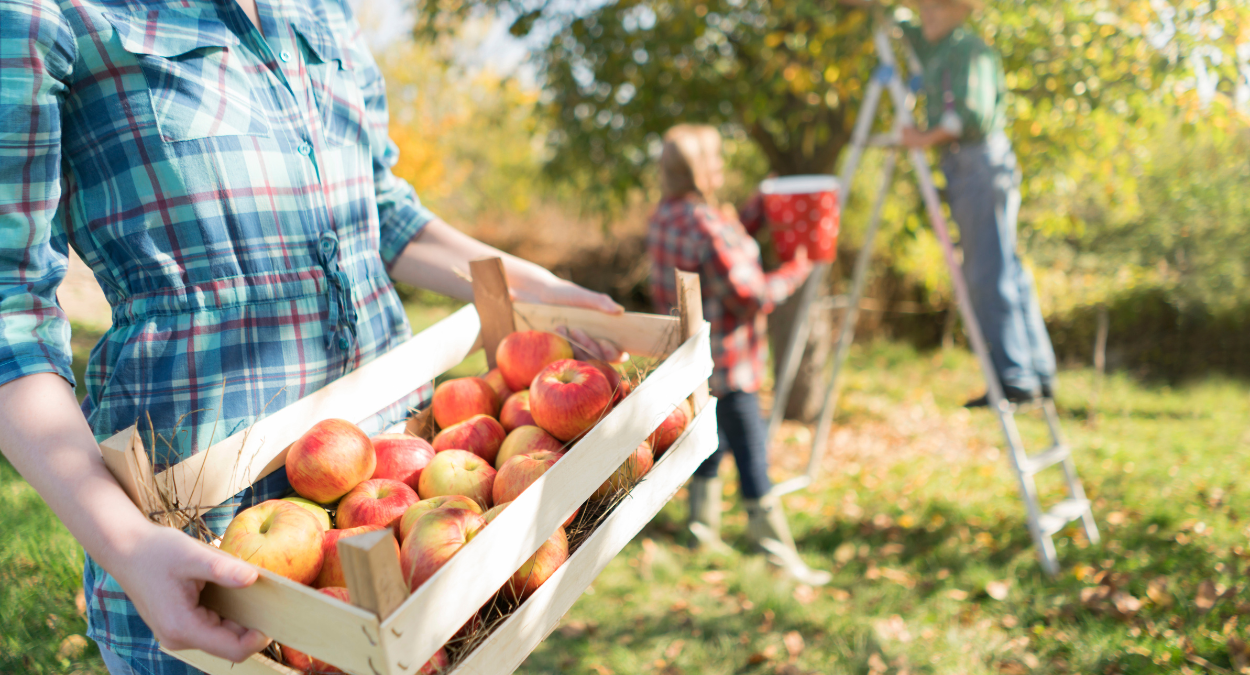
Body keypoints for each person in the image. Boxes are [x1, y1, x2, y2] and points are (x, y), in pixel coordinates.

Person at [0, 0, 621, 672]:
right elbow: (10, 310)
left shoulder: (321, 9)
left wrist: (533, 288)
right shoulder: (47, 14)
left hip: (400, 494)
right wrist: (125, 544)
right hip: (204, 548)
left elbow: (380, 211)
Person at [646, 124, 831, 586]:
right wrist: (795, 269)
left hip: (690, 359)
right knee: (752, 454)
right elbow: (749, 294)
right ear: (700, 170)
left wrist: (754, 211)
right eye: (717, 160)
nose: (723, 166)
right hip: (730, 361)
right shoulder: (708, 224)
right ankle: (777, 555)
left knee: (712, 439)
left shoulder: (666, 216)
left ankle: (701, 530)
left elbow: (716, 247)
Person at [895, 0, 1058, 407]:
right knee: (1005, 264)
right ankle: (1034, 371)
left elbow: (970, 115)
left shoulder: (969, 50)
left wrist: (922, 137)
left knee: (988, 268)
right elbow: (896, 19)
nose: (926, 14)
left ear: (959, 11)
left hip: (979, 162)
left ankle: (1015, 376)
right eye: (923, 8)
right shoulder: (938, 46)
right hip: (973, 164)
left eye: (935, 7)